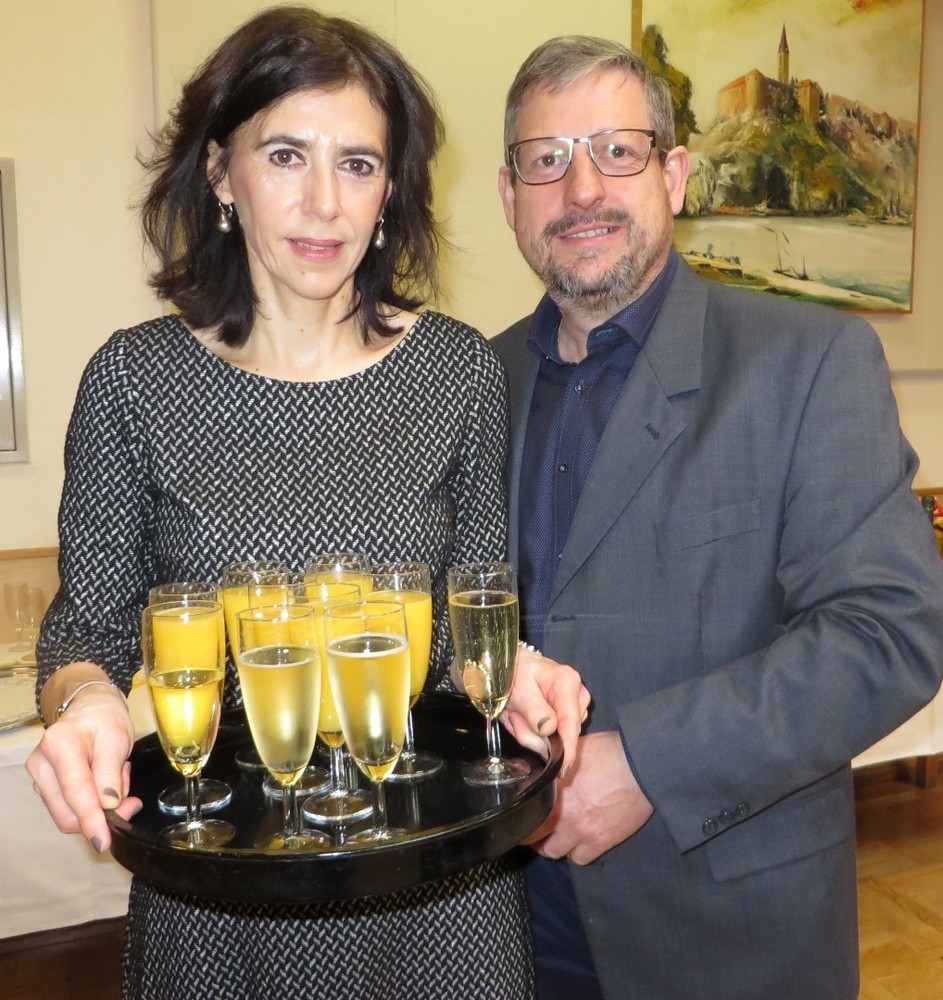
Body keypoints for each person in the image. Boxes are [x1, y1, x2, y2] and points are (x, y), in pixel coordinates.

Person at [25, 9, 586, 998]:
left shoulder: (457, 371)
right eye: (286, 154)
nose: (325, 202)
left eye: (358, 164)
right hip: (224, 891)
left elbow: (463, 635)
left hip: (435, 891)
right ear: (219, 171)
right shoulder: (134, 382)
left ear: (389, 190)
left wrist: (520, 668)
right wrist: (86, 702)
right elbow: (85, 636)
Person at [491, 34, 943, 1000]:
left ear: (674, 176)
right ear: (509, 195)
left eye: (617, 151)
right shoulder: (475, 381)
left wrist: (647, 764)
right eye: (546, 160)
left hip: (726, 935)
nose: (581, 190)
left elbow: (890, 631)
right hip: (505, 927)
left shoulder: (807, 362)